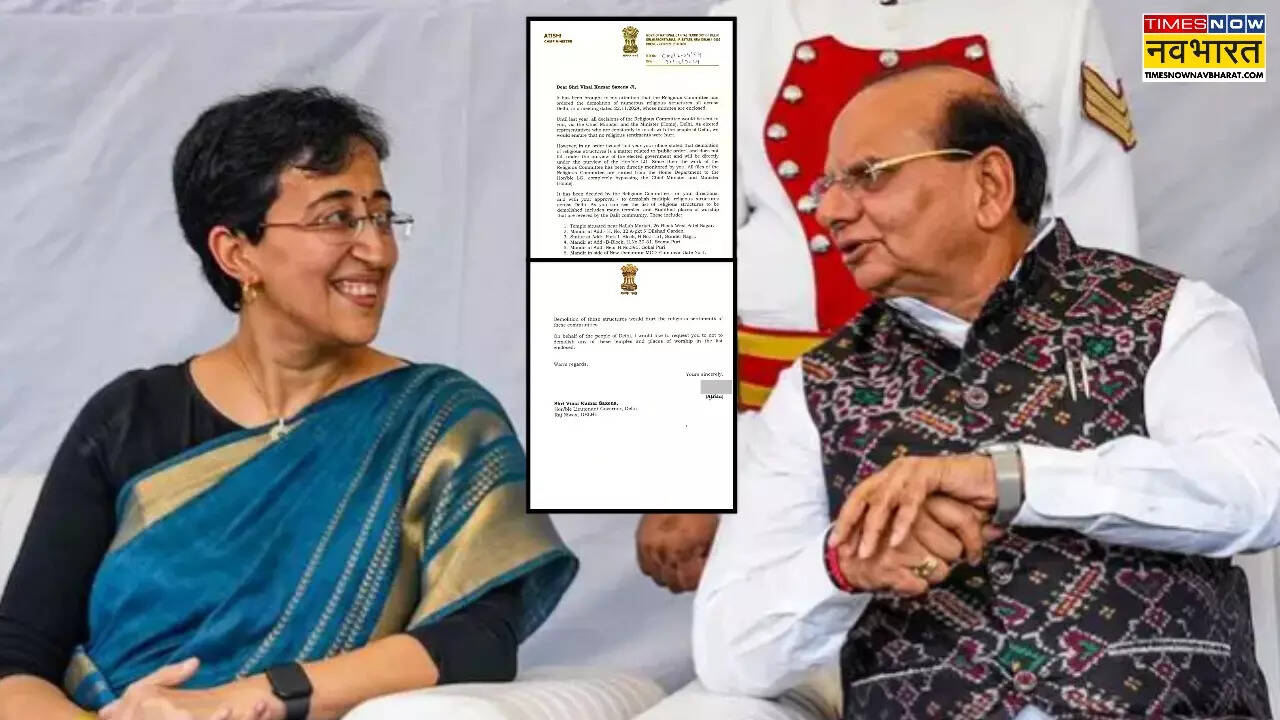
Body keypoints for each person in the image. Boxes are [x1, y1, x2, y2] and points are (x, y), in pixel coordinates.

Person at [692, 65, 1280, 718]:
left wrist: (1015, 479)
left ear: (990, 185)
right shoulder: (817, 389)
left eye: (868, 174)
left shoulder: (1164, 314)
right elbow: (726, 653)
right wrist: (843, 568)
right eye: (827, 186)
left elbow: (1258, 491)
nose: (829, 211)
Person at [0, 87, 577, 720]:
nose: (379, 250)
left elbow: (479, 640)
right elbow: (17, 659)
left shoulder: (441, 422)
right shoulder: (127, 417)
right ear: (236, 252)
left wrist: (255, 697)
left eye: (381, 217)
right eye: (336, 219)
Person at [637, 0, 1143, 594]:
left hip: (993, 449)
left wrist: (1059, 470)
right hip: (773, 454)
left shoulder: (1052, 18)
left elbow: (1096, 263)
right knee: (769, 639)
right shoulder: (738, 23)